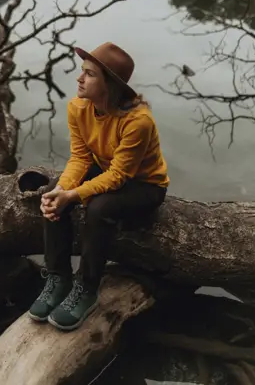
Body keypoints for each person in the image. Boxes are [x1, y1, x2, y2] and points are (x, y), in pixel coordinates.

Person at [28, 42, 169, 331]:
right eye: (82, 72)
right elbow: (80, 158)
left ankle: (86, 288)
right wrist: (62, 192)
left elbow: (119, 176)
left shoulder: (137, 121)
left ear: (110, 85)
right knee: (52, 190)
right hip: (106, 168)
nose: (80, 79)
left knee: (99, 207)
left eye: (90, 74)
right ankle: (58, 277)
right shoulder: (78, 108)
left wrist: (74, 195)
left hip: (144, 185)